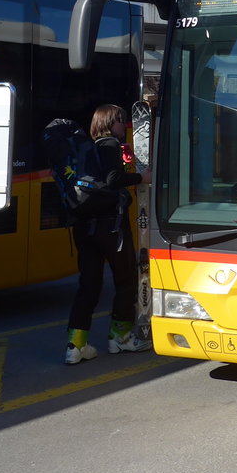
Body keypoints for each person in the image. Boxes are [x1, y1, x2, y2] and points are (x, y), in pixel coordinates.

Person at [65, 104, 154, 364]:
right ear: (110, 123)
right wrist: (141, 177)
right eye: (121, 121)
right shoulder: (110, 145)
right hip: (110, 227)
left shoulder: (85, 149)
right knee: (126, 280)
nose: (124, 126)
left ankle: (76, 345)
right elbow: (114, 179)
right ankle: (120, 338)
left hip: (84, 227)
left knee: (88, 285)